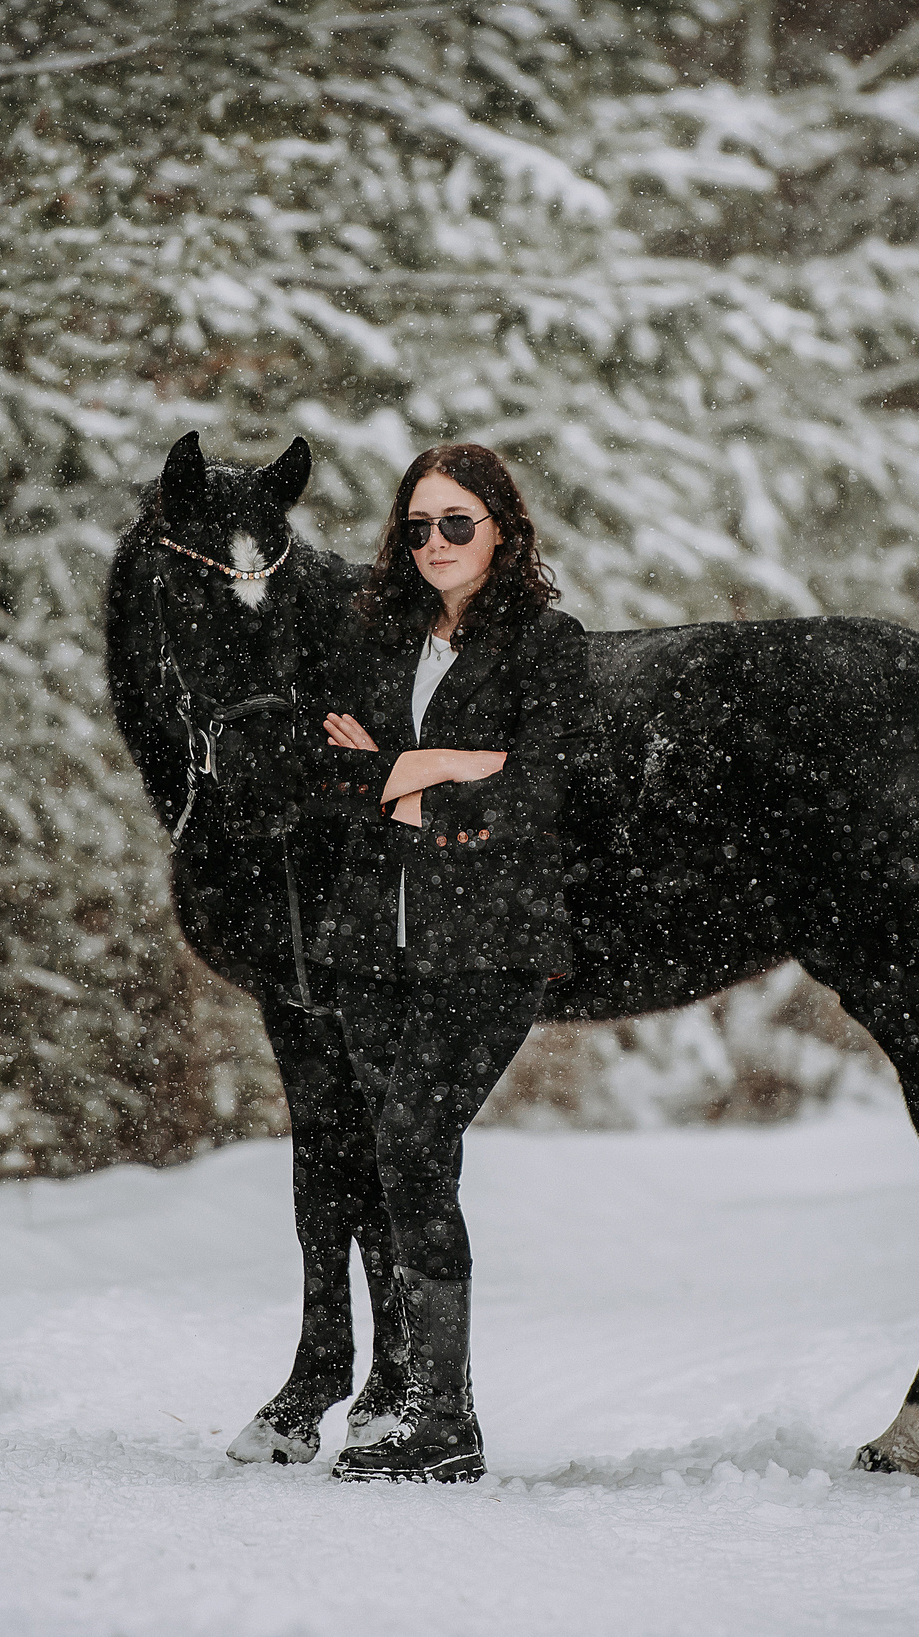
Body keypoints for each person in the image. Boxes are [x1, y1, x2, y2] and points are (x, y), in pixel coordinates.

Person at [301, 443, 591, 1484]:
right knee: (393, 1159)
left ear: (501, 529)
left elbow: (547, 788)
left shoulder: (547, 644)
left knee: (416, 1138)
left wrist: (406, 783)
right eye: (416, 525)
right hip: (371, 941)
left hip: (492, 945)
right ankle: (419, 1408)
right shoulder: (376, 640)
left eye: (455, 522)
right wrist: (431, 769)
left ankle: (441, 1414)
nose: (433, 543)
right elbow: (331, 776)